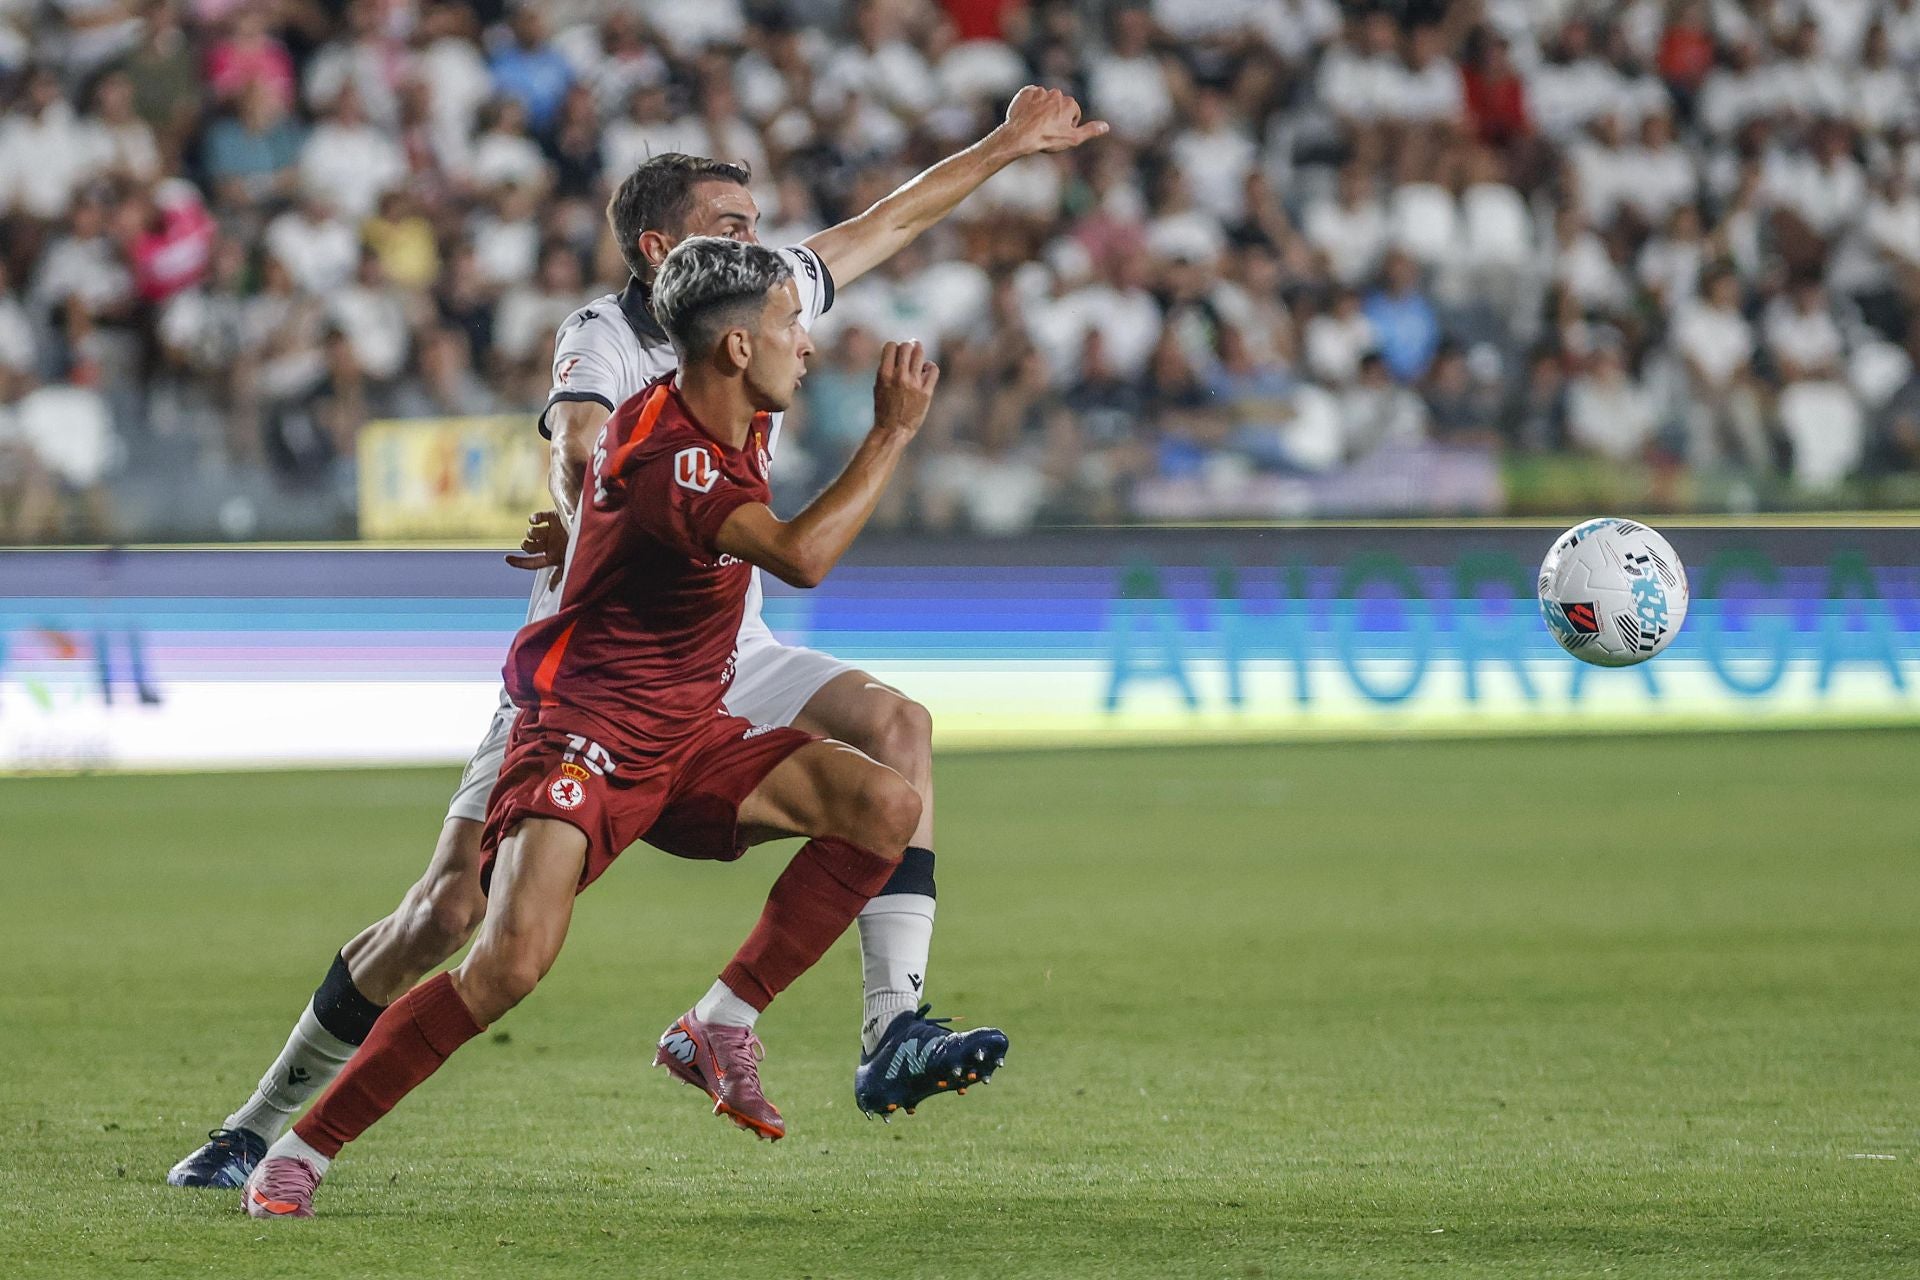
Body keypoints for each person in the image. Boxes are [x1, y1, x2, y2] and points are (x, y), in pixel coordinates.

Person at [170, 86, 1106, 1190]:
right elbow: (580, 440)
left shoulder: (757, 303)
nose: (766, 253)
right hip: (596, 659)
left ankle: (883, 1023)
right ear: (667, 251)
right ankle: (263, 1123)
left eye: (759, 233)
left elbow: (886, 223)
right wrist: (580, 509)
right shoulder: (613, 339)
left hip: (721, 636)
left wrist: (1003, 145)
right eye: (732, 228)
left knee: (897, 734)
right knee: (453, 913)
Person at [242, 239, 951, 1218]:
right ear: (737, 346)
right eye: (793, 326)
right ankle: (301, 1148)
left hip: (690, 730)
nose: (810, 345)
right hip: (587, 736)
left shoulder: (706, 413)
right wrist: (891, 434)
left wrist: (577, 528)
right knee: (507, 962)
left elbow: (610, 500)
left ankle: (721, 1019)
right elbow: (801, 556)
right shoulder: (683, 458)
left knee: (883, 802)